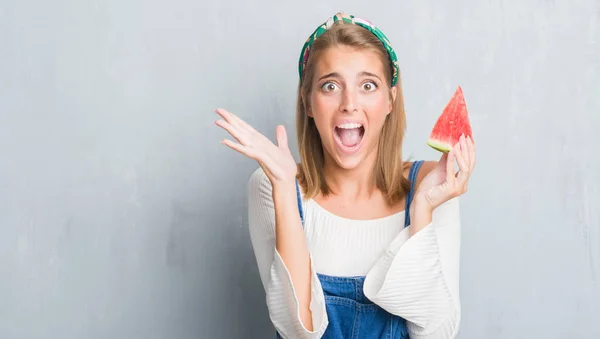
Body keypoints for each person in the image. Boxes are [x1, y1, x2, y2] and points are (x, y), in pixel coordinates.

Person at [214, 12, 475, 339]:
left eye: (368, 85)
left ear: (390, 100)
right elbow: (297, 332)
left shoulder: (433, 185)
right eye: (330, 86)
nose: (349, 104)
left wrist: (421, 211)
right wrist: (283, 187)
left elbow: (439, 334)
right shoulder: (272, 185)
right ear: (308, 102)